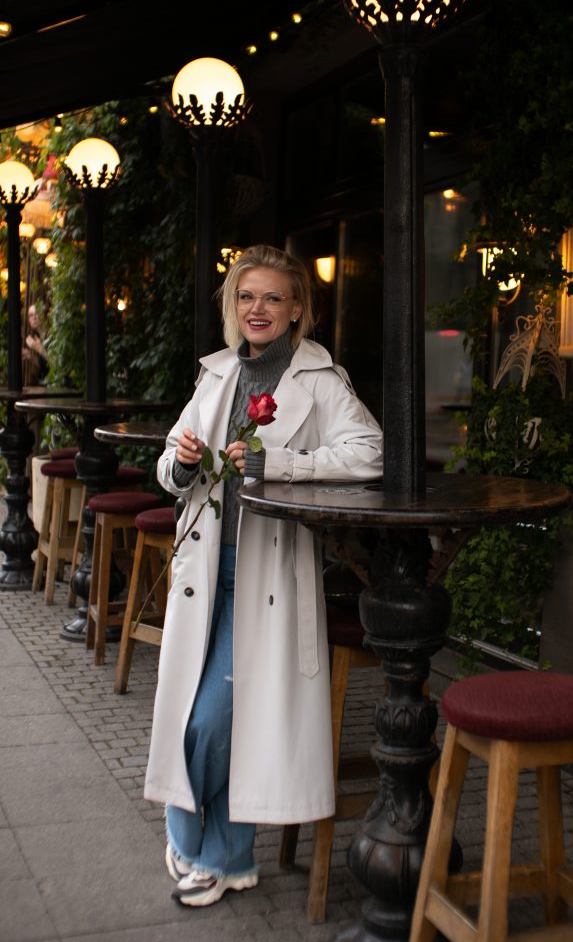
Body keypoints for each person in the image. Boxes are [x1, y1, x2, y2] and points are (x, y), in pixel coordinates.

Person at [144, 244, 383, 908]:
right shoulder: (216, 373)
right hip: (204, 574)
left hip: (267, 577)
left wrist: (277, 463)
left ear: (296, 308)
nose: (258, 309)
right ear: (232, 305)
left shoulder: (320, 379)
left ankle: (202, 846)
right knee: (197, 716)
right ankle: (220, 855)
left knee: (215, 722)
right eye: (246, 296)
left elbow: (370, 453)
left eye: (273, 297)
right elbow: (168, 466)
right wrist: (182, 461)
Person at [22, 303, 49, 385]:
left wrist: (39, 348)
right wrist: (31, 356)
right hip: (44, 383)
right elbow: (46, 364)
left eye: (37, 313)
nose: (33, 317)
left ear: (45, 316)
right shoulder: (39, 337)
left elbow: (59, 364)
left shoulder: (52, 335)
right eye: (30, 315)